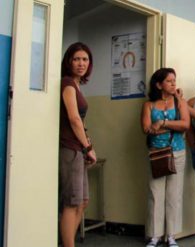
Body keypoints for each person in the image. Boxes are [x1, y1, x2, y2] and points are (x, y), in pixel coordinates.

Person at [141, 68, 190, 247]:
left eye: (174, 80)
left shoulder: (180, 102)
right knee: (155, 194)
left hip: (177, 152)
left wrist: (162, 123)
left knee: (174, 195)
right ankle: (154, 235)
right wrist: (171, 126)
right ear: (159, 84)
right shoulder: (149, 105)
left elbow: (185, 124)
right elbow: (146, 129)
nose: (173, 84)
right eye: (169, 81)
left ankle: (171, 235)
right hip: (156, 153)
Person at [59, 42, 97, 247]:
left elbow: (81, 124)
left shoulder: (77, 84)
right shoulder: (67, 83)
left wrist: (89, 146)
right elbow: (74, 119)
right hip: (70, 149)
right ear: (69, 61)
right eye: (76, 59)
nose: (81, 63)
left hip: (79, 148)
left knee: (82, 202)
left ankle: (67, 242)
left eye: (85, 59)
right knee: (71, 203)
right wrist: (87, 148)